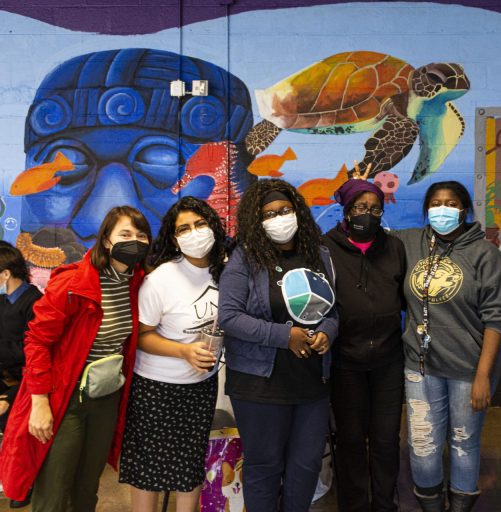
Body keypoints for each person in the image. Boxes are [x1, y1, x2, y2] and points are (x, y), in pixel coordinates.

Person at [0, 206, 151, 511]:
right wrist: (40, 403)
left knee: (86, 488)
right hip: (65, 398)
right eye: (125, 234)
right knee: (54, 489)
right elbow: (38, 341)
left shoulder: (137, 283)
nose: (134, 240)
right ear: (106, 240)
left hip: (106, 396)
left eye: (141, 234)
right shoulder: (72, 283)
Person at [218, 178, 338, 512]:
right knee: (264, 468)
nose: (279, 218)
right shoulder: (244, 258)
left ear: (298, 211)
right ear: (256, 221)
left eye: (285, 210)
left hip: (312, 383)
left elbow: (332, 308)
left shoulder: (320, 255)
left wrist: (328, 329)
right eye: (269, 214)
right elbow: (229, 317)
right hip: (259, 385)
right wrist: (285, 336)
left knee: (305, 468)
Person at [397, 180, 501, 512]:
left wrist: (483, 376)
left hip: (469, 370)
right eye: (435, 203)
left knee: (464, 443)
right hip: (420, 367)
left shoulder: (486, 255)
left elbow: (495, 319)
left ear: (464, 210)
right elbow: (365, 237)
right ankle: (432, 507)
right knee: (422, 445)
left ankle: (460, 506)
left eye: (450, 203)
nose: (442, 209)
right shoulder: (411, 243)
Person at [118, 197, 227, 511]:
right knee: (148, 470)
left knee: (190, 466)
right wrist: (184, 351)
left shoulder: (227, 273)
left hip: (200, 387)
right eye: (184, 228)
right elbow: (142, 336)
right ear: (174, 238)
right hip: (155, 387)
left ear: (213, 227)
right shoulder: (160, 280)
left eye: (200, 224)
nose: (194, 232)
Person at [323, 173, 407, 512]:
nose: (367, 214)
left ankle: (385, 503)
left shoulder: (395, 247)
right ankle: (355, 504)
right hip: (345, 362)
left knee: (387, 440)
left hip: (388, 361)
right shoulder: (325, 248)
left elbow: (404, 298)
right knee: (351, 440)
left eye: (374, 208)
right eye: (360, 207)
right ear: (346, 210)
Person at [0, 243, 43, 433]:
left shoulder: (35, 302)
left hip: (22, 384)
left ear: (6, 274)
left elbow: (30, 349)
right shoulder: (3, 300)